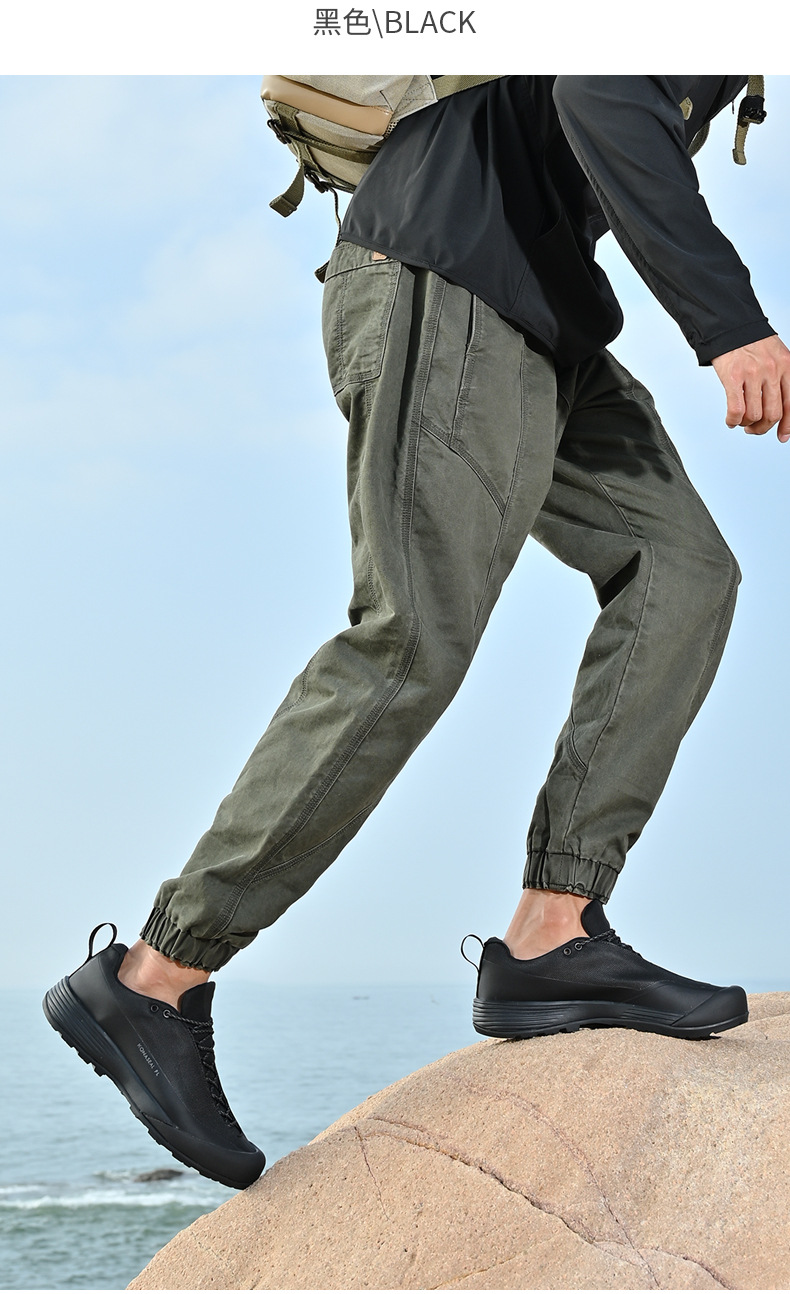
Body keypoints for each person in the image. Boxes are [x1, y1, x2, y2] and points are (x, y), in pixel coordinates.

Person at [44, 75, 790, 1191]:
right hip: (446, 276)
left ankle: (552, 932)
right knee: (410, 641)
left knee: (684, 571)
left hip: (543, 315)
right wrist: (731, 326)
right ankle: (155, 977)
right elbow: (599, 87)